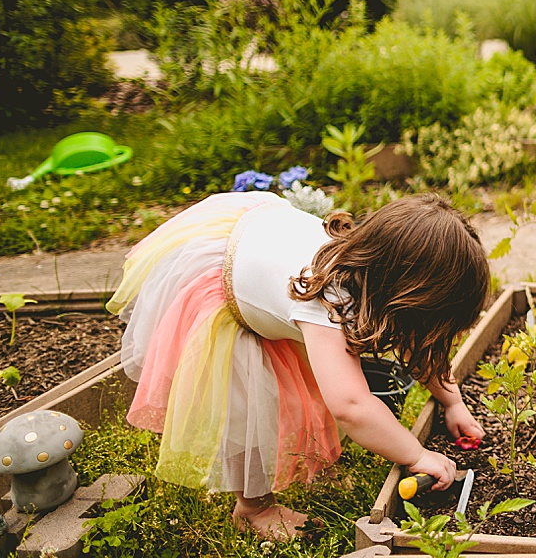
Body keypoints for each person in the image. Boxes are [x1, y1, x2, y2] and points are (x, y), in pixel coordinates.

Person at [108, 192, 488, 538]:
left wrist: (452, 402)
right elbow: (352, 407)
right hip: (225, 288)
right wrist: (418, 455)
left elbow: (420, 349)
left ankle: (313, 465)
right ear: (407, 296)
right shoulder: (327, 297)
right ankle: (252, 508)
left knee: (323, 375)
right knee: (250, 404)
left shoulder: (367, 267)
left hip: (260, 235)